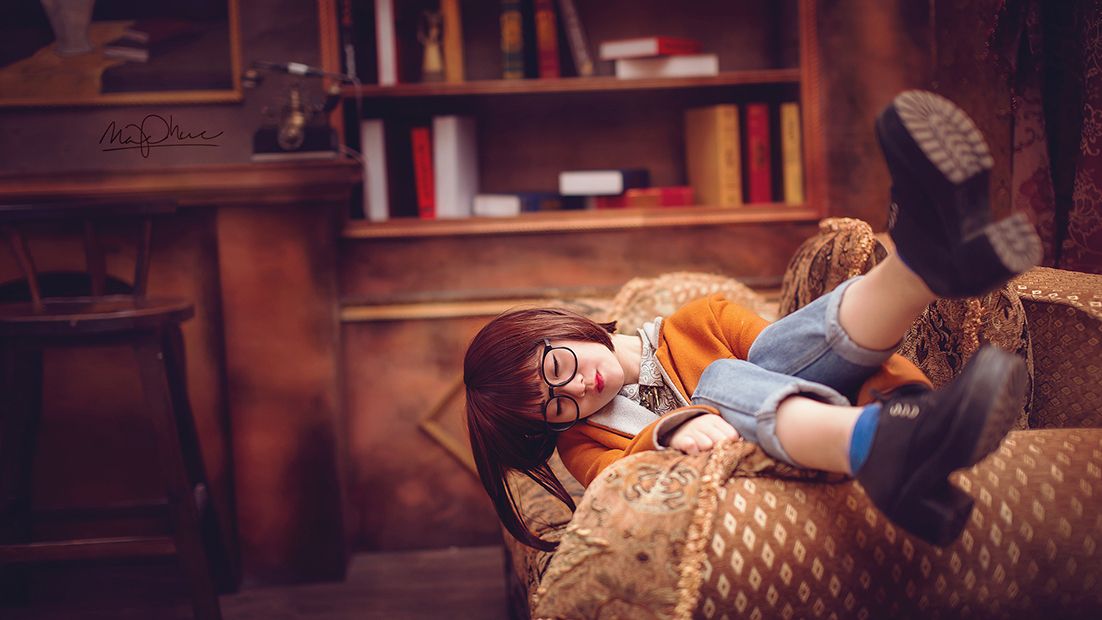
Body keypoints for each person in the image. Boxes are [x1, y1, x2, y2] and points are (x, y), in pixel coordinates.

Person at [464, 90, 1043, 552]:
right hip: (751, 471)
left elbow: (825, 362)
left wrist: (904, 397)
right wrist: (670, 432)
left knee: (762, 354)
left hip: (825, 416)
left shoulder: (702, 321)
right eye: (556, 407)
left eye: (557, 369)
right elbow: (613, 483)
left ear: (561, 328)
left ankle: (918, 272)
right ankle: (885, 431)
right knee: (720, 380)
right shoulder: (583, 443)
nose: (573, 391)